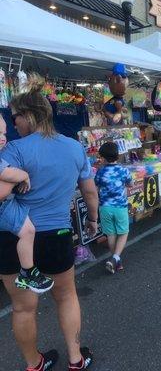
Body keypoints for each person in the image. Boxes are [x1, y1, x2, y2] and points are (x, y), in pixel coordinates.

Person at [0, 75, 99, 371]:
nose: (14, 123)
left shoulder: (12, 151)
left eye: (15, 117)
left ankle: (34, 364)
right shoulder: (73, 148)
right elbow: (89, 191)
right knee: (66, 296)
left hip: (13, 237)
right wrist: (93, 221)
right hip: (56, 234)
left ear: (28, 116)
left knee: (22, 307)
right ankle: (75, 358)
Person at [0, 115, 53, 294]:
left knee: (28, 231)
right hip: (4, 208)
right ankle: (27, 271)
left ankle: (26, 271)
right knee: (28, 232)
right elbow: (7, 175)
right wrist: (24, 175)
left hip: (8, 205)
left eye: (4, 133)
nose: (3, 137)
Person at [95, 142, 132, 274]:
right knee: (123, 232)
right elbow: (130, 184)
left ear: (103, 158)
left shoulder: (100, 171)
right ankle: (116, 258)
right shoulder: (124, 170)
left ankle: (116, 261)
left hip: (104, 207)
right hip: (120, 206)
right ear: (118, 155)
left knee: (111, 234)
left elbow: (96, 187)